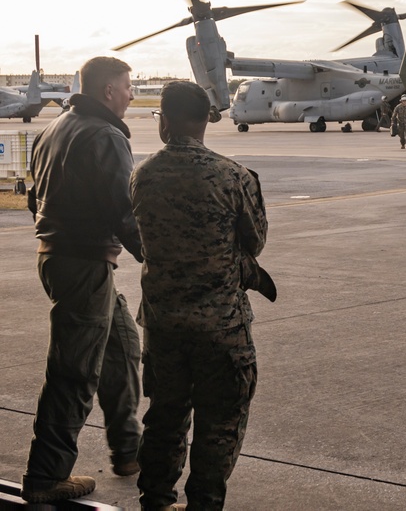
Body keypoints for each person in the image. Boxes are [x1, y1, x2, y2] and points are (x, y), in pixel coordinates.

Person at [131, 81, 271, 510]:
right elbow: (257, 240)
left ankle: (154, 500)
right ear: (207, 120)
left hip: (164, 324)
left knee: (165, 417)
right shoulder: (233, 176)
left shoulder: (143, 174)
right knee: (220, 423)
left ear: (165, 121)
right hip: (221, 326)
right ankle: (205, 503)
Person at [21, 56, 143, 504]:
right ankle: (45, 477)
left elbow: (35, 196)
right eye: (128, 86)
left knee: (124, 346)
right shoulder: (105, 135)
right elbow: (124, 211)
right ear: (108, 91)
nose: (132, 93)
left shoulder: (54, 128)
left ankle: (129, 451)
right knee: (74, 371)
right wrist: (157, 261)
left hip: (58, 258)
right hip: (83, 263)